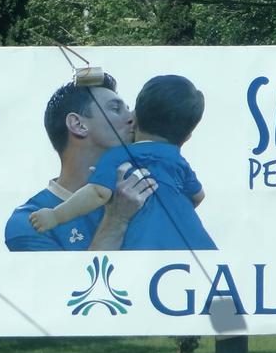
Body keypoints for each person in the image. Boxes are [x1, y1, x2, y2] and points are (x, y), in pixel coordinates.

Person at [30, 74, 216, 251]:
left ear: (136, 117)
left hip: (146, 249)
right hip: (198, 247)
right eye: (116, 109)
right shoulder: (178, 161)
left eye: (128, 109)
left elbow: (98, 193)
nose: (127, 116)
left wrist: (55, 216)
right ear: (188, 136)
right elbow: (198, 196)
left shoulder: (121, 155)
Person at [4, 73, 156, 251]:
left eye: (129, 109)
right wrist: (116, 219)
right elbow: (70, 280)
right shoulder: (29, 221)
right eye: (116, 109)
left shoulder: (144, 196)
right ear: (78, 124)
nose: (133, 118)